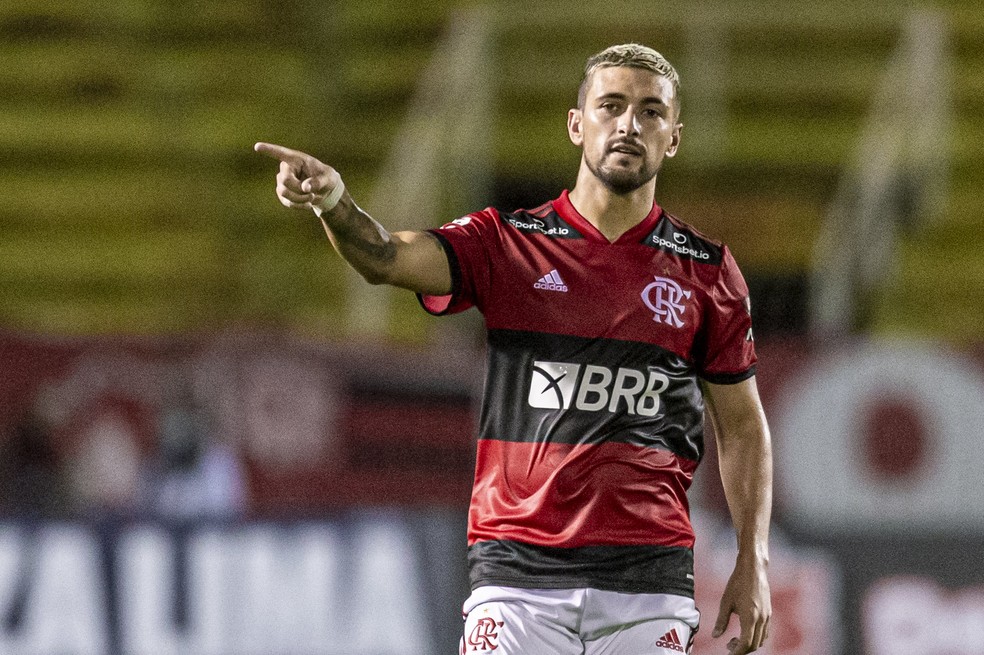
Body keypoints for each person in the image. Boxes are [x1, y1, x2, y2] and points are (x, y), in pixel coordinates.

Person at [256, 43, 772, 655]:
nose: (629, 125)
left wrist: (752, 558)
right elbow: (386, 258)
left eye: (650, 112)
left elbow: (741, 427)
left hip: (646, 582)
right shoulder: (505, 244)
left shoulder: (706, 271)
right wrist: (335, 203)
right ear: (577, 125)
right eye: (611, 105)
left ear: (674, 138)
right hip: (516, 580)